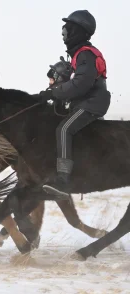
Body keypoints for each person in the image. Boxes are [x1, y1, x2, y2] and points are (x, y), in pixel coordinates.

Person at [38, 10, 110, 196]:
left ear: (77, 31)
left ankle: (62, 180)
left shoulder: (86, 54)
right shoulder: (79, 54)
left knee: (63, 129)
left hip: (92, 103)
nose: (64, 33)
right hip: (85, 101)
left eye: (68, 29)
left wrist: (55, 92)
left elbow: (81, 84)